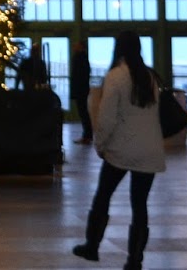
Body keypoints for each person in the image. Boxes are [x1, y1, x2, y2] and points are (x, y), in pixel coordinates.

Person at [72, 34, 164, 270]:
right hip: (149, 150)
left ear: (119, 49)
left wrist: (100, 145)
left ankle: (92, 246)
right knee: (139, 205)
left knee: (103, 196)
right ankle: (135, 260)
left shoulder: (116, 76)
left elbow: (106, 118)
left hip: (120, 151)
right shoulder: (150, 77)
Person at [71, 46, 94, 145]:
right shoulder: (84, 60)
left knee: (83, 113)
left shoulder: (79, 59)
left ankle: (87, 136)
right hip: (83, 91)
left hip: (80, 91)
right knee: (84, 113)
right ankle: (87, 135)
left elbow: (77, 76)